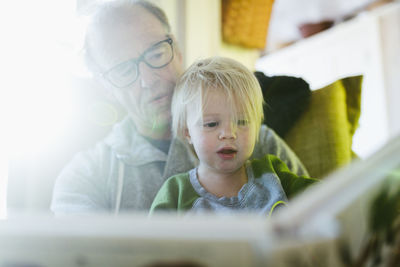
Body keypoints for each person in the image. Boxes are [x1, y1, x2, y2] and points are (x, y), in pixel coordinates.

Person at [51, 0, 309, 215]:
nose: (148, 80)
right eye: (123, 69)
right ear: (106, 87)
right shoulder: (86, 176)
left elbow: (326, 226)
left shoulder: (259, 142)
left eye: (155, 54)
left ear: (177, 49)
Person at [149, 57, 317, 215]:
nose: (229, 134)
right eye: (212, 124)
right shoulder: (175, 193)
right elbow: (150, 243)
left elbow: (326, 200)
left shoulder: (274, 175)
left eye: (242, 121)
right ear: (188, 133)